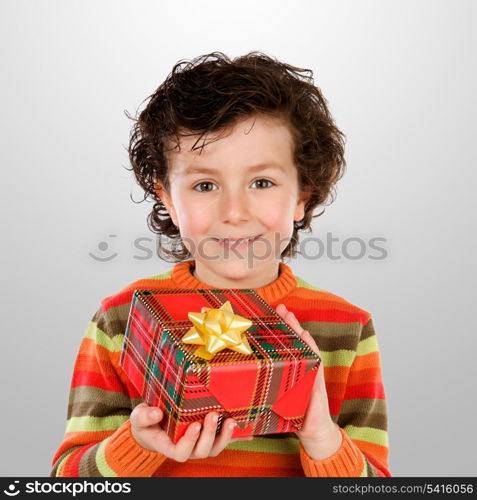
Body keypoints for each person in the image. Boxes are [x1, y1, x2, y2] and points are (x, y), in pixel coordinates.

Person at [50, 51, 391, 477]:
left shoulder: (348, 327)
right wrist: (136, 444)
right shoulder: (122, 318)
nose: (234, 211)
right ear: (169, 200)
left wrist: (321, 435)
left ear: (302, 196)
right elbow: (68, 481)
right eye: (205, 184)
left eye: (262, 182)